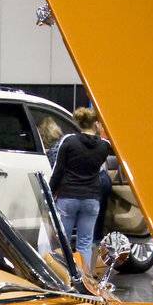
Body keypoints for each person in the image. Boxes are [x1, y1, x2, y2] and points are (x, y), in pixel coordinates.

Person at [48, 106, 112, 269]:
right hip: (91, 199)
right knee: (85, 242)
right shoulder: (104, 146)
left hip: (68, 197)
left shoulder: (69, 141)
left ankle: (65, 277)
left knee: (63, 242)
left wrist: (49, 192)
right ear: (95, 124)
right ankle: (86, 279)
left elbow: (58, 170)